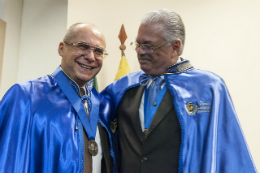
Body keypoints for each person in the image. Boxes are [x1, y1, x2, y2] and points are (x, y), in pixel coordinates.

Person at [101, 9, 257, 173]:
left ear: (175, 47)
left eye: (148, 45)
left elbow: (228, 151)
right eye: (138, 44)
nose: (139, 51)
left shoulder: (208, 89)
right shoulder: (122, 87)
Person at [0, 23, 117, 173]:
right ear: (61, 48)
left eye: (99, 51)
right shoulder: (25, 97)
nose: (90, 57)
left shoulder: (104, 106)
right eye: (82, 46)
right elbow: (7, 162)